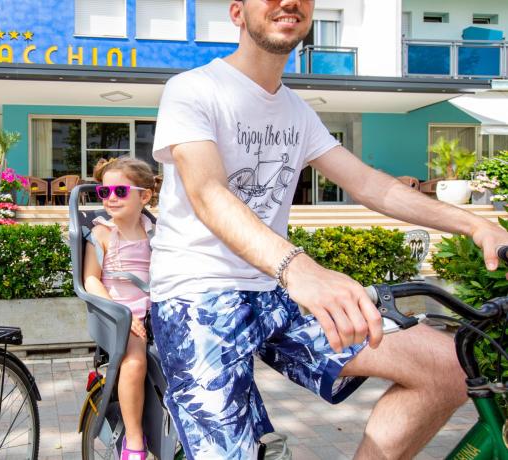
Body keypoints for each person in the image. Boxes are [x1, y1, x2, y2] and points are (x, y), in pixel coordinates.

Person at [148, 1, 508, 459]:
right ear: (237, 13)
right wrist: (300, 269)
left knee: (448, 368)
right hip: (196, 293)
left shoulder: (296, 110)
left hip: (273, 288)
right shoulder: (193, 89)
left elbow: (370, 184)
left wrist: (474, 224)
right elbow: (208, 193)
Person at [83, 158, 156, 460]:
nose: (111, 197)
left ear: (145, 196)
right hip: (119, 314)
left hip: (155, 308)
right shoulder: (102, 232)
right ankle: (135, 441)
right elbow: (90, 279)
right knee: (135, 362)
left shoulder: (154, 231)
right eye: (105, 191)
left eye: (120, 191)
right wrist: (121, 313)